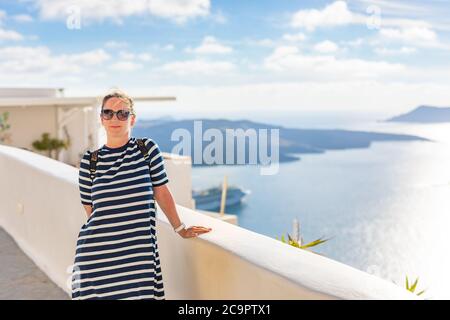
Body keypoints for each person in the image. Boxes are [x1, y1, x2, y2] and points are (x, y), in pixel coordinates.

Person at [71, 90, 212, 300]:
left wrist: (179, 227)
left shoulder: (146, 150)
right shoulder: (90, 162)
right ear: (101, 119)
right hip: (96, 259)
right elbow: (92, 214)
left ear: (132, 119)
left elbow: (162, 193)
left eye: (122, 113)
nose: (115, 118)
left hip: (138, 257)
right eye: (108, 113)